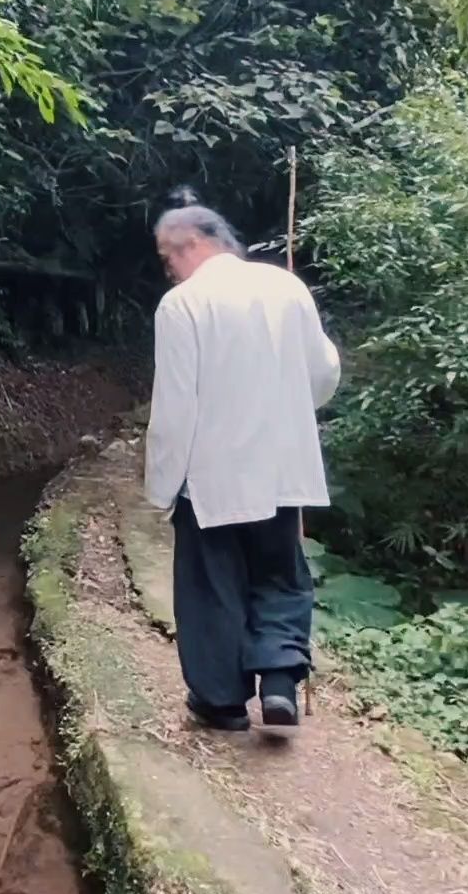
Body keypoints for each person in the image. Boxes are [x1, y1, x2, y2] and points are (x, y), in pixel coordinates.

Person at [143, 191, 341, 731]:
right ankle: (279, 683)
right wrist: (290, 404)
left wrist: (161, 487)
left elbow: (175, 406)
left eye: (168, 258)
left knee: (212, 587)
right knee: (279, 575)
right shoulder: (286, 287)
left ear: (194, 243)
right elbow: (323, 373)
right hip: (282, 469)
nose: (169, 271)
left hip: (211, 478)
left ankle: (221, 702)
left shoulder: (182, 306)